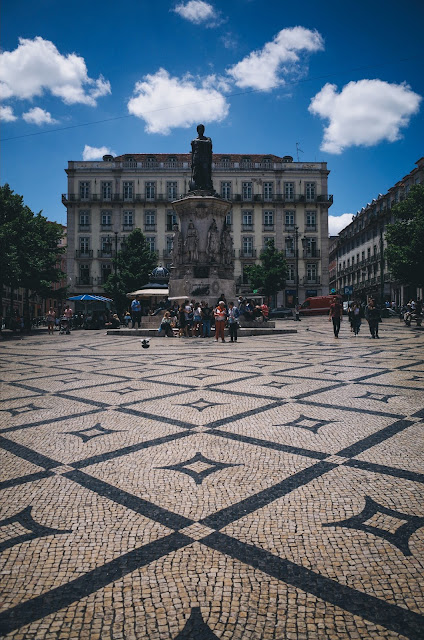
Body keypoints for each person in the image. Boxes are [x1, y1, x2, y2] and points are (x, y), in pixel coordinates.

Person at [190, 123, 213, 192]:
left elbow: (209, 145)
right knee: (196, 173)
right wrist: (192, 162)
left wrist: (197, 141)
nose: (201, 130)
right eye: (200, 129)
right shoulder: (194, 141)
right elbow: (193, 152)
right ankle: (197, 186)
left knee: (205, 172)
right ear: (197, 130)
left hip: (204, 158)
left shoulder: (207, 139)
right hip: (196, 158)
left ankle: (206, 185)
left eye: (202, 129)